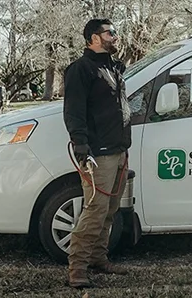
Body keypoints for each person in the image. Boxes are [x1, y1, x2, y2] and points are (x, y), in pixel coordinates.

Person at [63, 18, 132, 288]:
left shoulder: (113, 68)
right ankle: (77, 268)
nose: (115, 36)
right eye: (110, 32)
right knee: (95, 210)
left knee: (110, 209)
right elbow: (74, 112)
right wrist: (81, 146)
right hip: (98, 154)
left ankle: (97, 258)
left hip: (119, 150)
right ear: (94, 37)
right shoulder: (81, 69)